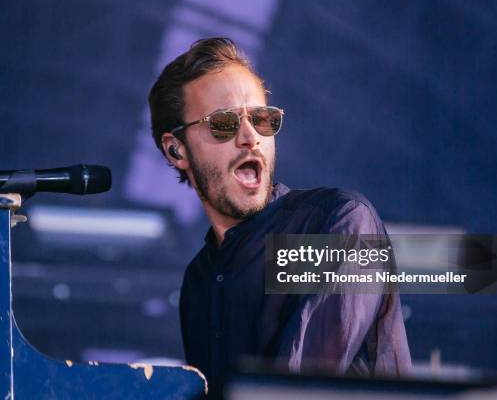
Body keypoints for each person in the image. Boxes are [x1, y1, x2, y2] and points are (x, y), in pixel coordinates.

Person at [149, 37, 411, 397]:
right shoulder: (199, 281)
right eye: (223, 123)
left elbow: (292, 389)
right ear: (176, 149)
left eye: (261, 119)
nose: (249, 137)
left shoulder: (335, 223)